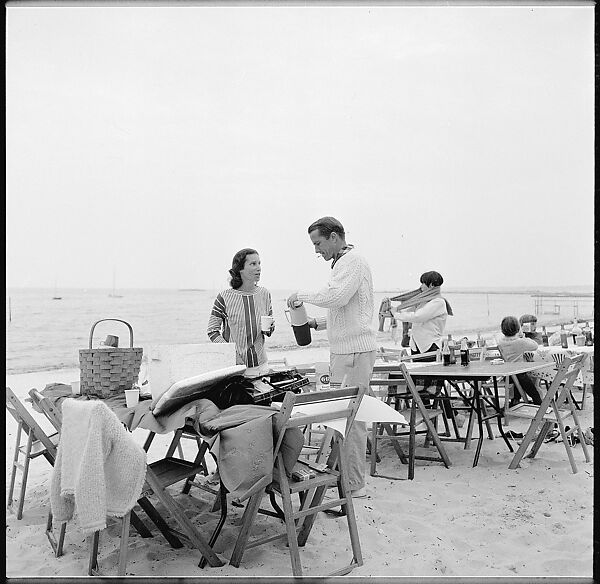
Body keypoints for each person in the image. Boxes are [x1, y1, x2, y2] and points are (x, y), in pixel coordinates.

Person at [287, 216, 377, 498]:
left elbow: (336, 296)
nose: (316, 250)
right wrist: (318, 323)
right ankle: (348, 479)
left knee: (349, 418)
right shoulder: (345, 263)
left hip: (353, 352)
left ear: (335, 237)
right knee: (347, 417)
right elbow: (348, 307)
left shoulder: (352, 262)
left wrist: (300, 294)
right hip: (348, 351)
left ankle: (353, 484)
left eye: (318, 243)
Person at [393, 271, 454, 415]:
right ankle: (425, 413)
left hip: (431, 346)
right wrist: (394, 308)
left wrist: (396, 314)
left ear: (431, 285)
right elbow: (409, 309)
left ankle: (450, 415)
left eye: (423, 283)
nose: (420, 287)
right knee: (419, 385)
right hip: (417, 346)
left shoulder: (438, 302)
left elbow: (419, 316)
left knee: (432, 386)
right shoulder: (423, 300)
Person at [208, 248, 274, 377]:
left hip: (262, 365)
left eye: (259, 263)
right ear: (240, 269)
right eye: (253, 264)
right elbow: (212, 331)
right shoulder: (224, 297)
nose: (259, 268)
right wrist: (231, 354)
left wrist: (270, 328)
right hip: (235, 368)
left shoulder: (265, 294)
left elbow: (268, 331)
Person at [496, 316, 542, 406]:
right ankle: (537, 400)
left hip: (509, 375)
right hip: (520, 373)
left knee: (518, 377)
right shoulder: (520, 342)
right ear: (518, 328)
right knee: (529, 382)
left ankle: (515, 399)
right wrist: (523, 336)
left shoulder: (501, 342)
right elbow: (535, 345)